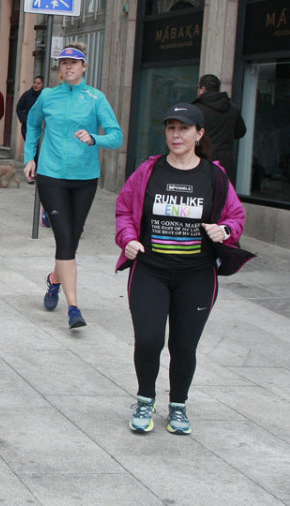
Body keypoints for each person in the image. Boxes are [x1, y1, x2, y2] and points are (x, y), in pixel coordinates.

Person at [116, 103, 247, 435]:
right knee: (148, 340)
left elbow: (236, 217)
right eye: (171, 127)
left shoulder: (214, 175)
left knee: (184, 345)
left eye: (184, 128)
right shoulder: (148, 171)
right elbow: (124, 210)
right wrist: (128, 239)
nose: (176, 134)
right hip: (151, 270)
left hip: (197, 274)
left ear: (199, 134)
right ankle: (146, 399)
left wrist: (226, 231)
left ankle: (178, 406)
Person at [22, 44, 123, 329]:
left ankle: (54, 279)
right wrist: (30, 157)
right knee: (64, 239)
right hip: (51, 175)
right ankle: (74, 308)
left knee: (72, 239)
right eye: (64, 62)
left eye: (74, 62)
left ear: (84, 67)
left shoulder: (96, 98)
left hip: (85, 178)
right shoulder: (48, 96)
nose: (68, 67)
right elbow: (32, 124)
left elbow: (116, 136)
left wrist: (94, 138)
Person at [192, 74, 247, 184]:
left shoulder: (196, 109)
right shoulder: (232, 108)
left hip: (201, 161)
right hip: (225, 163)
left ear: (203, 89)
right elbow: (241, 132)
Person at [16, 75, 44, 140]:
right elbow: (19, 108)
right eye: (34, 83)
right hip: (27, 127)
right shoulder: (27, 95)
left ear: (42, 84)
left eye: (38, 83)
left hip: (40, 126)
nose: (36, 85)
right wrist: (24, 120)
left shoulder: (44, 95)